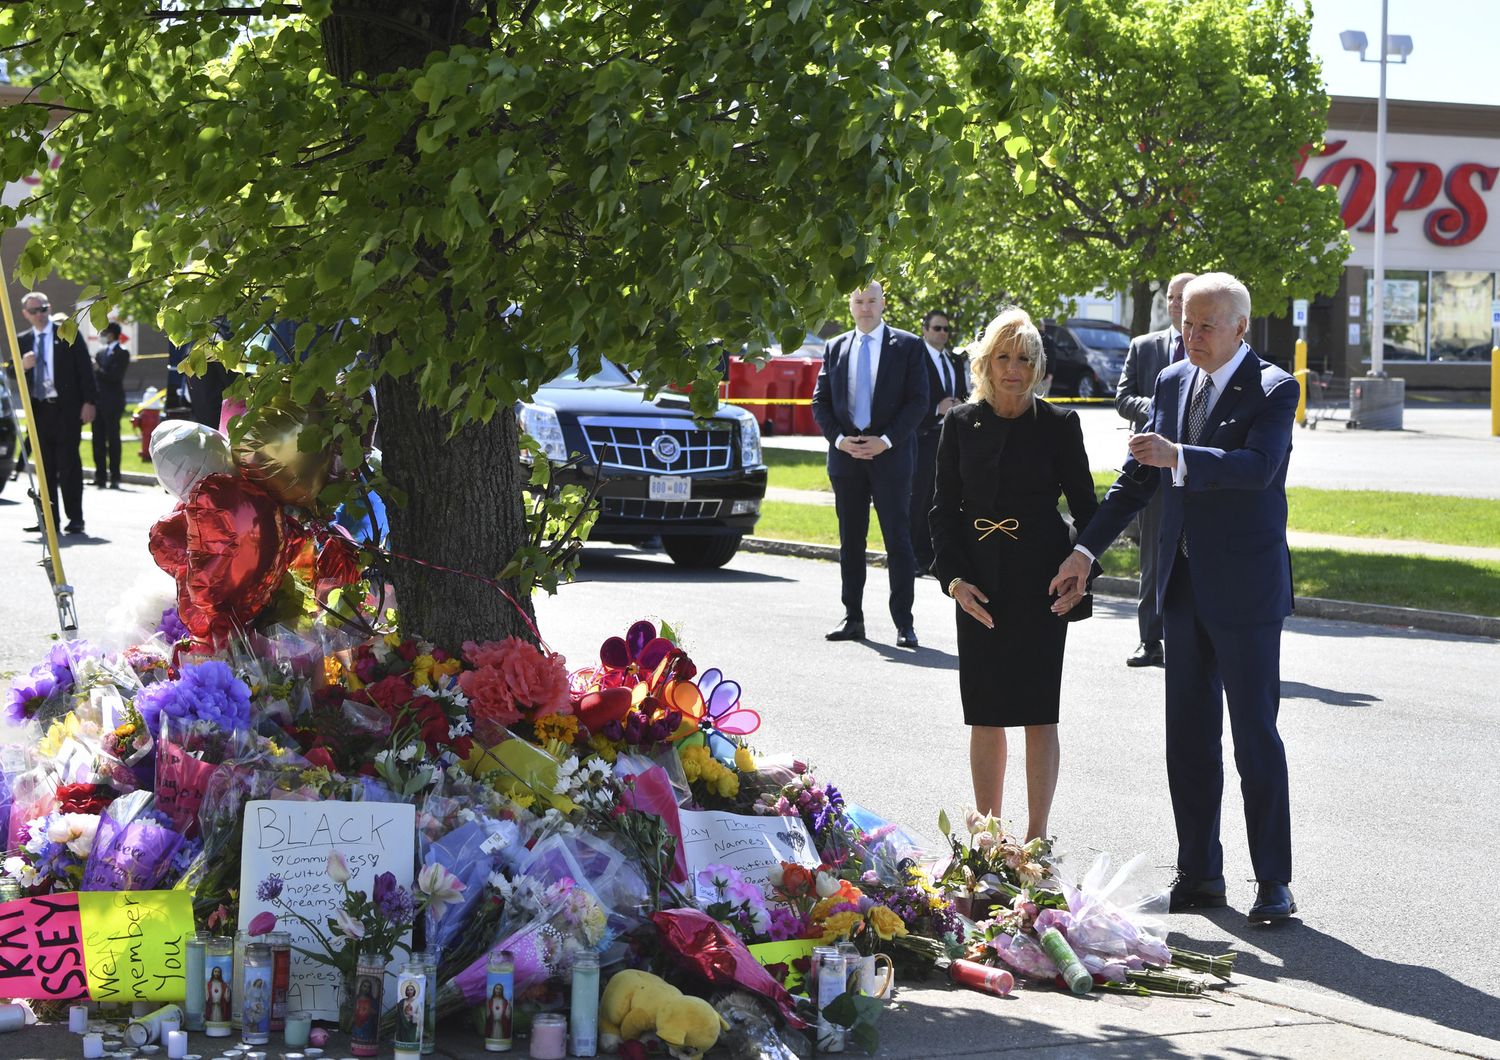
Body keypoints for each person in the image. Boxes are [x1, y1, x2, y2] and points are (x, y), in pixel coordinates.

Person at [1049, 273, 1298, 923]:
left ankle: (1273, 881)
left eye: (1206, 325)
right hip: (1181, 590)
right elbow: (1137, 480)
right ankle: (1199, 874)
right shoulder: (1170, 382)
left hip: (1246, 592)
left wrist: (1179, 455)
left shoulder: (1273, 388)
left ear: (1241, 326)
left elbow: (1258, 469)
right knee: (1187, 739)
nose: (1191, 336)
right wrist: (1085, 551)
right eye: (1186, 323)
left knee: (1254, 738)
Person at [930, 308, 1098, 840]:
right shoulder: (958, 425)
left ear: (1038, 366)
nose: (1013, 369)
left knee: (1037, 712)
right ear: (984, 363)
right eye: (1002, 357)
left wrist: (1083, 570)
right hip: (978, 585)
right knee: (985, 712)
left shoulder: (1059, 425)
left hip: (1043, 584)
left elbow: (1088, 511)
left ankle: (1036, 839)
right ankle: (988, 836)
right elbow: (941, 513)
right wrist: (954, 581)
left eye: (1024, 359)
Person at [812, 282, 928, 648]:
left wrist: (885, 440)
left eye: (871, 301)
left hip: (891, 458)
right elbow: (821, 402)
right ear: (850, 305)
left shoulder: (908, 346)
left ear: (883, 304)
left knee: (898, 540)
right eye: (858, 301)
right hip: (847, 459)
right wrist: (840, 440)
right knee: (851, 542)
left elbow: (918, 401)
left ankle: (904, 623)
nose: (865, 307)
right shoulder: (835, 346)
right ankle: (852, 617)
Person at [1114, 272, 1196, 668]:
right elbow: (1122, 397)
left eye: (1186, 297)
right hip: (1152, 469)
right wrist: (1160, 407)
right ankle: (1150, 639)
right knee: (1153, 555)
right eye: (1173, 298)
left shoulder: (1211, 347)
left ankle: (1193, 635)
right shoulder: (1145, 346)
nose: (1178, 304)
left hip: (1195, 466)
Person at [14, 291, 96, 534]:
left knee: (68, 464)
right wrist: (21, 366)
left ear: (49, 308)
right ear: (25, 314)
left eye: (43, 309)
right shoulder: (22, 340)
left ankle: (76, 519)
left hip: (66, 409)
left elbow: (85, 368)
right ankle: (48, 521)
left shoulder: (66, 332)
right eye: (34, 311)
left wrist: (90, 401)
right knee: (44, 467)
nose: (39, 315)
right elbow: (10, 372)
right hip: (38, 411)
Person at [909, 309, 969, 575]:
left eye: (946, 329)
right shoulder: (915, 357)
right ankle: (914, 555)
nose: (942, 334)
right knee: (919, 498)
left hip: (951, 438)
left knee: (943, 498)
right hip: (924, 437)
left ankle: (935, 555)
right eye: (937, 329)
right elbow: (908, 398)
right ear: (925, 330)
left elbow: (963, 392)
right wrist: (936, 408)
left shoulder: (953, 360)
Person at [92, 322, 131, 489]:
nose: (102, 335)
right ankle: (100, 476)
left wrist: (97, 369)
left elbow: (114, 376)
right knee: (97, 440)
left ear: (112, 334)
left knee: (113, 440)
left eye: (105, 332)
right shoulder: (100, 353)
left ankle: (115, 476)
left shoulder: (122, 353)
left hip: (113, 403)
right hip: (98, 402)